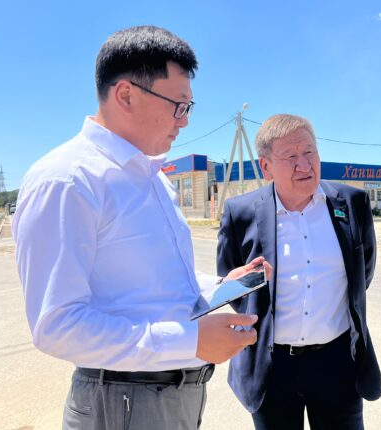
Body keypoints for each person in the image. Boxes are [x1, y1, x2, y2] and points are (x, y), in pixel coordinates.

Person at [13, 26, 264, 430]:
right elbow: (56, 326)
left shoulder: (152, 177)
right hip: (123, 400)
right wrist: (190, 340)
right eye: (178, 106)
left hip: (172, 395)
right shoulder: (68, 180)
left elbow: (158, 286)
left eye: (189, 107)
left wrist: (221, 285)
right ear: (126, 95)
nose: (185, 121)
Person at [217, 114, 381, 429]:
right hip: (272, 367)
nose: (304, 165)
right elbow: (234, 287)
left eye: (309, 152)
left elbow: (363, 274)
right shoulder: (241, 213)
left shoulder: (351, 202)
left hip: (337, 363)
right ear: (266, 167)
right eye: (290, 157)